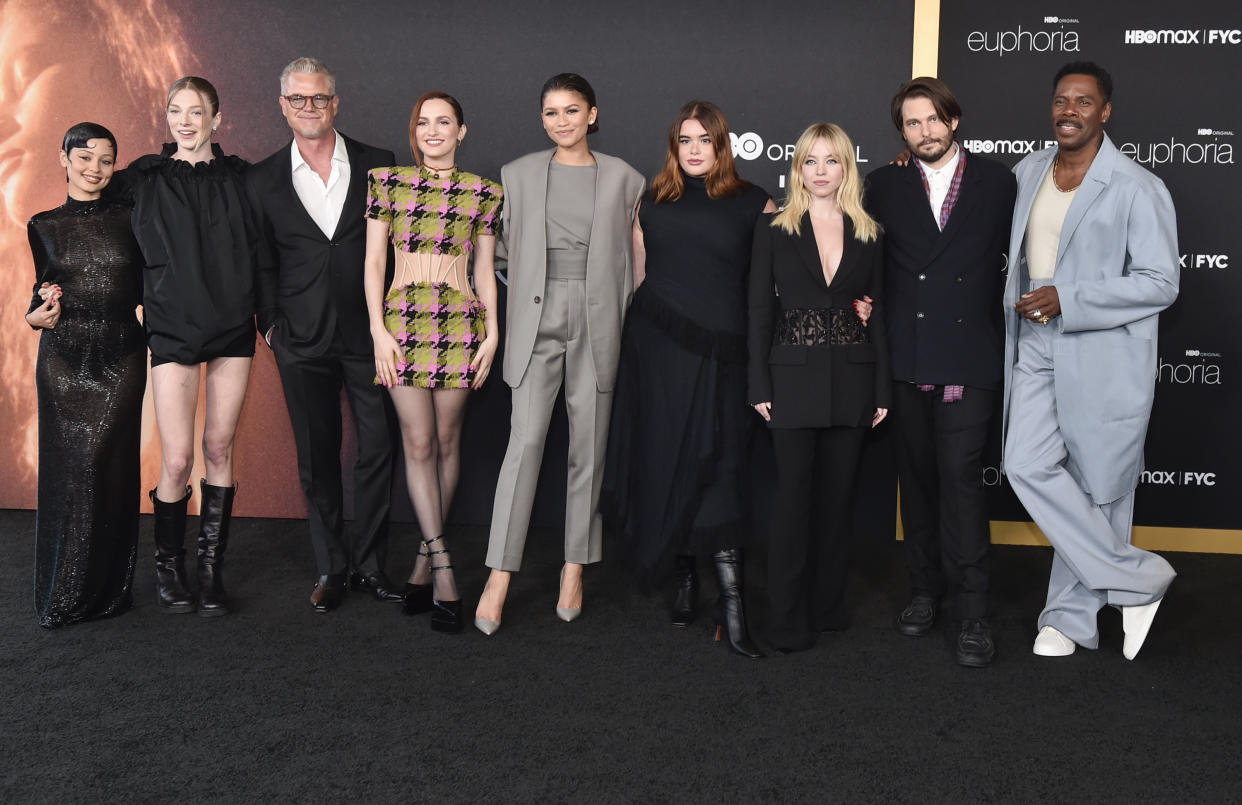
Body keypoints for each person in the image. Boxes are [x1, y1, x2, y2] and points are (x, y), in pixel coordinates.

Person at [1002, 62, 1178, 661]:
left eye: (1084, 101)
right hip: (1034, 341)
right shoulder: (1028, 171)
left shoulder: (1135, 185)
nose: (1069, 110)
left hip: (1100, 346)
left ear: (1105, 111)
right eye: (1061, 99)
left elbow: (1160, 282)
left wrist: (1070, 299)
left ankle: (1070, 619)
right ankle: (1135, 580)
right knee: (1023, 462)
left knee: (1098, 484)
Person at [602, 101, 774, 658]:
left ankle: (733, 601)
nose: (695, 149)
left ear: (723, 145)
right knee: (665, 458)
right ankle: (684, 577)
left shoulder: (754, 203)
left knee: (720, 464)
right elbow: (640, 276)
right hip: (657, 350)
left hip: (726, 356)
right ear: (674, 147)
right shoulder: (652, 202)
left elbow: (773, 288)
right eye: (685, 141)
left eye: (705, 140)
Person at [475, 73, 644, 635]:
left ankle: (575, 567)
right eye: (551, 113)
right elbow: (499, 252)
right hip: (536, 320)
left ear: (592, 114)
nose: (562, 121)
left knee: (587, 451)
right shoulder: (517, 174)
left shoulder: (625, 178)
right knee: (523, 446)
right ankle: (499, 574)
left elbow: (638, 259)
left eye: (572, 111)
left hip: (598, 324)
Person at [865, 78, 1016, 667]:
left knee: (959, 480)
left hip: (970, 355)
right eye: (911, 124)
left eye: (933, 120)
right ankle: (925, 592)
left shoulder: (1000, 182)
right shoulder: (882, 184)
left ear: (954, 120)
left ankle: (974, 612)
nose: (924, 132)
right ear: (901, 132)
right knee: (918, 481)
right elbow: (861, 256)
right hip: (907, 357)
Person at [247, 57, 399, 614]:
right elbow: (262, 261)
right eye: (298, 99)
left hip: (371, 335)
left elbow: (397, 248)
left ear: (335, 103)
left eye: (319, 99)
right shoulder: (259, 178)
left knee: (378, 450)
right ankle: (332, 566)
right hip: (300, 339)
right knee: (317, 456)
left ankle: (372, 566)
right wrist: (272, 326)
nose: (308, 108)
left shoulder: (379, 165)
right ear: (283, 105)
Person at [363, 90, 502, 634]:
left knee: (447, 443)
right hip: (401, 326)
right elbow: (374, 261)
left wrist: (492, 333)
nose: (434, 131)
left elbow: (486, 269)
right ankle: (444, 568)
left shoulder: (483, 193)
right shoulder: (386, 183)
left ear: (461, 132)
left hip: (461, 326)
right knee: (417, 442)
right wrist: (377, 329)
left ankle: (422, 560)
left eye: (445, 122)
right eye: (424, 122)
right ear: (414, 130)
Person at [748, 123, 889, 653]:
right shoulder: (773, 229)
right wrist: (758, 380)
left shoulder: (869, 231)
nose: (822, 171)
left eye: (832, 160)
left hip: (853, 378)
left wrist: (881, 389)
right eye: (812, 161)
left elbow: (879, 315)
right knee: (792, 505)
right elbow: (760, 310)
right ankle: (786, 620)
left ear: (847, 166)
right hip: (789, 380)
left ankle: (828, 608)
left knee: (837, 504)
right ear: (798, 168)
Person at [128, 76, 258, 617]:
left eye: (196, 112)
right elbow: (87, 213)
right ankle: (169, 571)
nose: (185, 121)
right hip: (173, 326)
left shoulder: (243, 178)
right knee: (177, 458)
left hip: (232, 325)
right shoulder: (142, 177)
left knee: (218, 450)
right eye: (175, 111)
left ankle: (210, 573)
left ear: (217, 119)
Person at [24, 123, 145, 628]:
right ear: (64, 158)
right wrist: (36, 316)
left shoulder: (133, 218)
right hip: (62, 359)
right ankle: (64, 591)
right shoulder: (42, 224)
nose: (95, 169)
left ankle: (106, 590)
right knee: (68, 475)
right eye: (86, 158)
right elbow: (41, 295)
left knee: (107, 469)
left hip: (120, 356)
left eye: (106, 160)